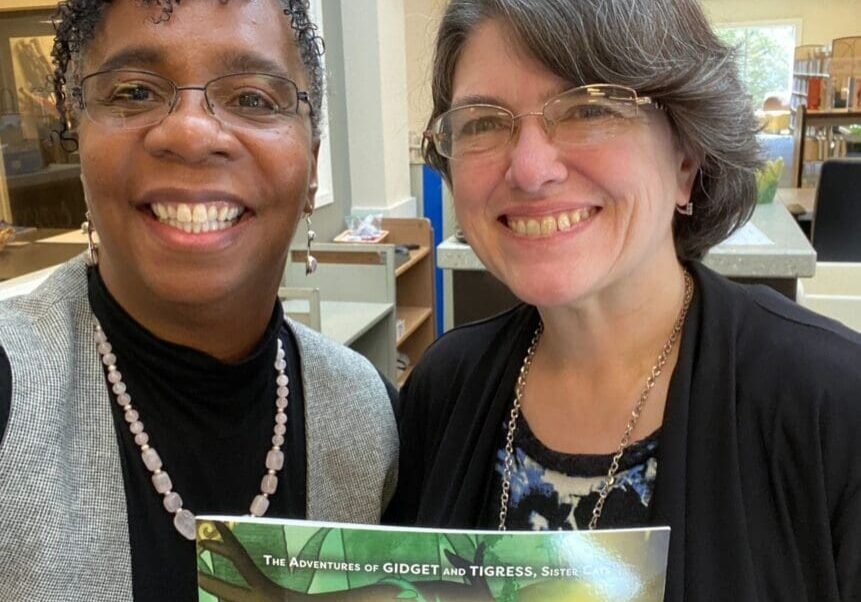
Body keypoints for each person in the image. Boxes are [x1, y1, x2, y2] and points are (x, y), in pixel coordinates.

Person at [385, 0, 861, 600]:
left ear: (686, 156)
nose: (530, 169)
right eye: (483, 121)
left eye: (588, 107)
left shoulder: (836, 408)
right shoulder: (442, 390)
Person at [0, 1, 397, 600]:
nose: (189, 132)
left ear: (312, 167)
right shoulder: (13, 391)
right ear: (78, 139)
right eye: (134, 91)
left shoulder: (368, 419)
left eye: (254, 99)